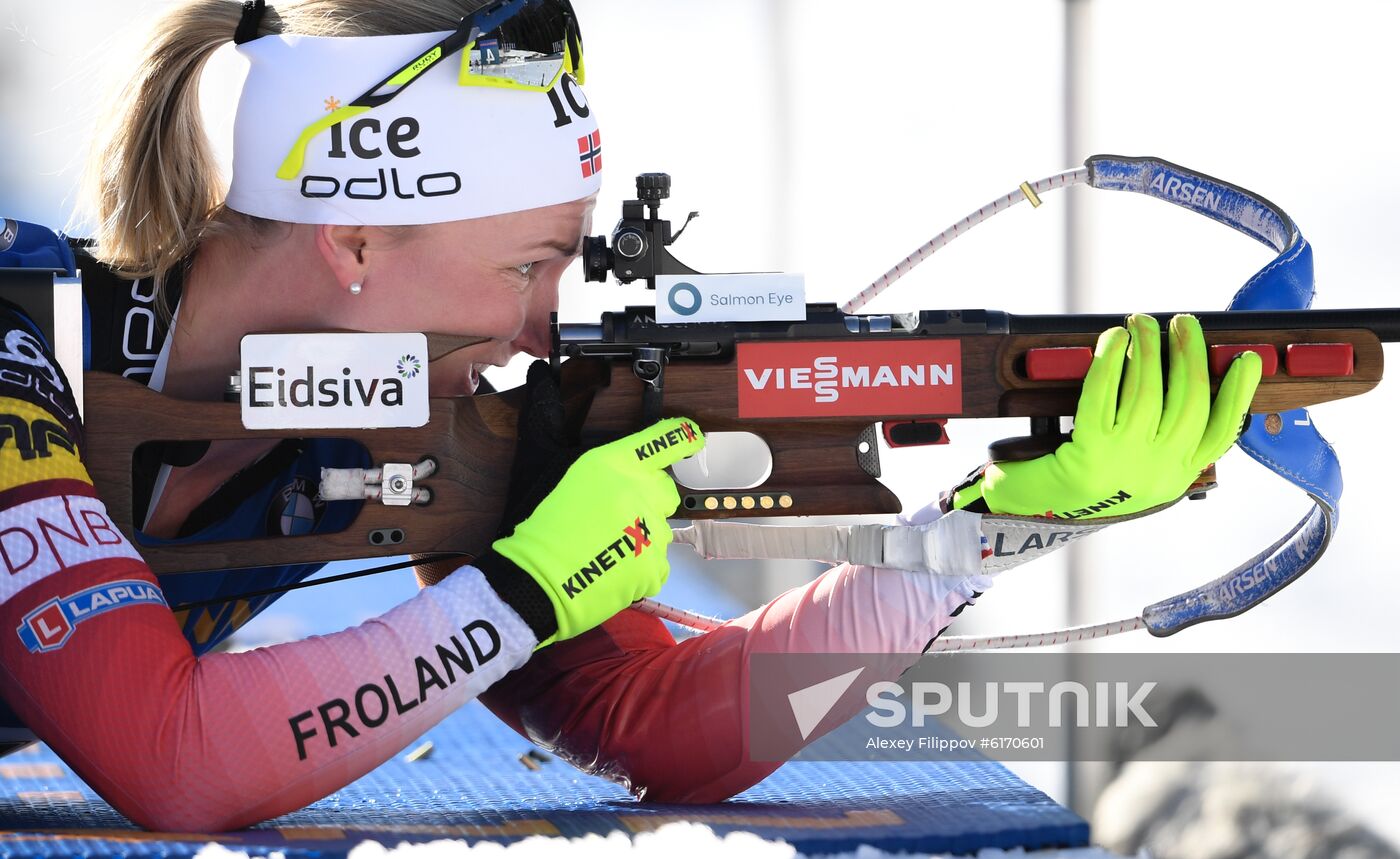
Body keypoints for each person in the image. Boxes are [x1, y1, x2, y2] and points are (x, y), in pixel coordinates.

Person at [0, 0, 1263, 832]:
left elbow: (652, 731)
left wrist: (974, 540)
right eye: (523, 267)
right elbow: (166, 757)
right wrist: (513, 597)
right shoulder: (18, 349)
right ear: (356, 239)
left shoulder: (389, 415)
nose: (547, 324)